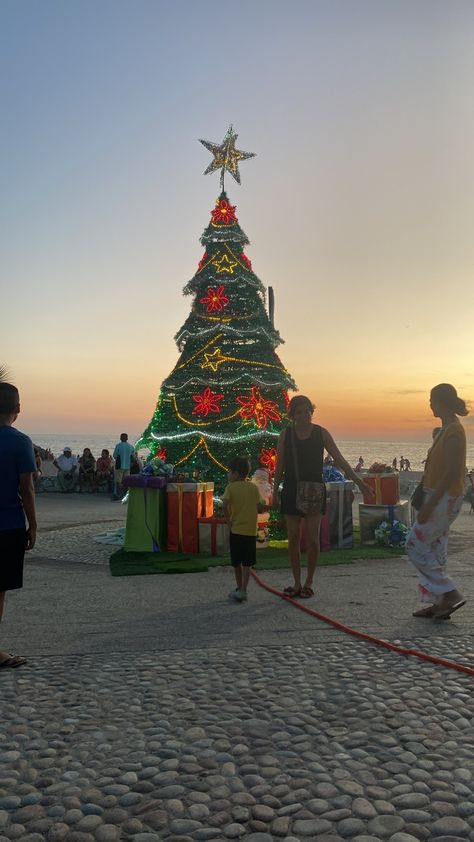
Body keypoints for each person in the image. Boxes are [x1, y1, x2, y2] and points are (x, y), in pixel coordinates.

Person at [273, 395, 374, 598]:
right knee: (293, 538)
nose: (303, 415)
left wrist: (360, 483)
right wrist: (275, 491)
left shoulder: (321, 433)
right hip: (292, 488)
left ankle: (309, 582)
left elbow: (341, 461)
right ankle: (296, 582)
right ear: (292, 414)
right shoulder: (286, 434)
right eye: (298, 412)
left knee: (312, 539)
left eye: (306, 411)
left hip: (315, 490)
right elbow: (280, 465)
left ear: (312, 412)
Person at [407, 383, 469, 619]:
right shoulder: (444, 430)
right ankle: (439, 602)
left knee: (414, 544)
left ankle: (449, 593)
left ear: (442, 401)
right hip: (439, 495)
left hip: (444, 498)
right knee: (436, 548)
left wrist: (430, 506)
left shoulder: (453, 430)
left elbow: (452, 471)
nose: (429, 403)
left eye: (431, 399)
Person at [0, 383, 37, 668]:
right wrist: (33, 525)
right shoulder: (20, 441)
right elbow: (27, 489)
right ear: (18, 408)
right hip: (7, 525)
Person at [222, 456, 264, 603]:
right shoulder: (253, 487)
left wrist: (228, 521)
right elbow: (260, 506)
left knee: (236, 563)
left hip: (236, 531)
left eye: (229, 472)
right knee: (247, 563)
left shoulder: (230, 487)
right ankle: (244, 590)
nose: (228, 475)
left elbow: (224, 504)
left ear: (235, 474)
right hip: (251, 532)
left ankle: (239, 588)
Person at [112, 433, 135, 499]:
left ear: (120, 438)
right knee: (126, 481)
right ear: (127, 438)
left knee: (118, 481)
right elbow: (133, 457)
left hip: (119, 466)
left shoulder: (118, 445)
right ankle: (126, 495)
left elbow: (115, 455)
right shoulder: (131, 446)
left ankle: (118, 495)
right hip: (127, 466)